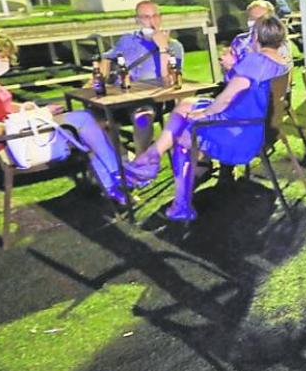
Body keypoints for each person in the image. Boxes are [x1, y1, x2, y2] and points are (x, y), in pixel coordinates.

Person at [125, 16, 292, 221]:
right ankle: (153, 155)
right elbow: (245, 92)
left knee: (185, 135)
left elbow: (227, 96)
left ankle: (181, 203)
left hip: (241, 132)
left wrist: (205, 112)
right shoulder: (281, 62)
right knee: (186, 104)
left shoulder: (255, 61)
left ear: (256, 36)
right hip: (254, 122)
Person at [0, 23, 127, 204]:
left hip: (18, 133)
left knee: (94, 126)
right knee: (89, 123)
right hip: (14, 145)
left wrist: (33, 110)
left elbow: (3, 106)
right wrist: (30, 123)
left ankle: (115, 183)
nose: (6, 61)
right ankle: (119, 181)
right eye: (2, 56)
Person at [100, 0, 185, 153]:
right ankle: (123, 158)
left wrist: (163, 48)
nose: (151, 21)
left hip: (150, 99)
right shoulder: (127, 40)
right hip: (119, 97)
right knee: (93, 120)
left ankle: (141, 162)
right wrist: (102, 79)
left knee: (143, 118)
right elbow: (107, 58)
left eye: (155, 16)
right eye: (146, 17)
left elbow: (169, 80)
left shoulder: (174, 46)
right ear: (137, 20)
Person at [220, 0, 288, 79]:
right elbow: (227, 69)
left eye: (260, 19)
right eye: (252, 18)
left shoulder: (277, 43)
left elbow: (265, 74)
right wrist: (227, 65)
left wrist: (233, 68)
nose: (256, 22)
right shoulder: (240, 40)